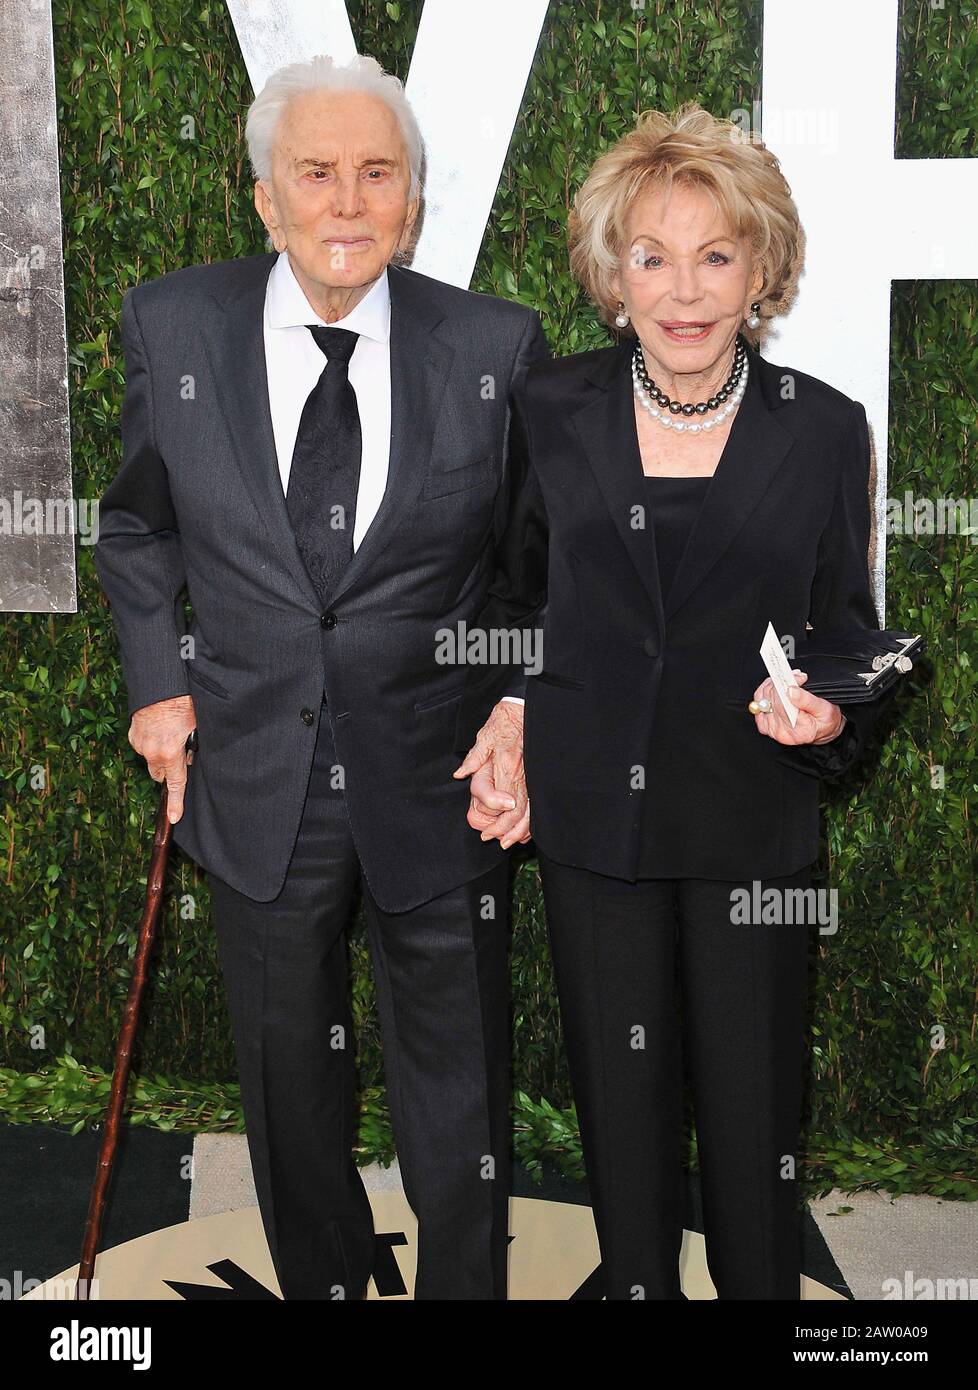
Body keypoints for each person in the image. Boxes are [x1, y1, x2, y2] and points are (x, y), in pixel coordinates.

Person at [94, 52, 547, 1301]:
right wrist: (155, 683)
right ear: (265, 201)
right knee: (290, 1084)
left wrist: (513, 708)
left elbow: (532, 573)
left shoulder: (496, 347)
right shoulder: (174, 323)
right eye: (316, 173)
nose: (347, 203)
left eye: (376, 175)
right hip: (253, 767)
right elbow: (138, 528)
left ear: (412, 201)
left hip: (439, 776)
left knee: (458, 1094)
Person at [457, 103, 894, 1299]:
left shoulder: (823, 431)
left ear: (762, 269)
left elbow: (846, 630)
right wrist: (509, 713)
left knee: (758, 1126)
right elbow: (513, 595)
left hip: (752, 820)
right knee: (621, 1110)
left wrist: (835, 712)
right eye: (652, 256)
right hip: (597, 822)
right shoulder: (550, 409)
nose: (684, 290)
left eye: (716, 255)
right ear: (613, 272)